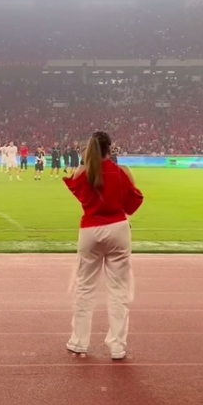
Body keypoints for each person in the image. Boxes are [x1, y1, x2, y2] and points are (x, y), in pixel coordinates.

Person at [63, 131, 144, 360]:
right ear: (111, 148)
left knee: (85, 288)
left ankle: (79, 341)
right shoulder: (122, 172)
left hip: (89, 230)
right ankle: (117, 345)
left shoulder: (84, 171)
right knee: (118, 291)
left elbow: (78, 190)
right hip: (118, 229)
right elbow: (132, 204)